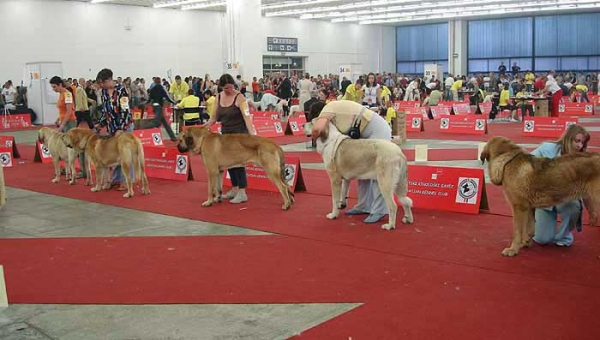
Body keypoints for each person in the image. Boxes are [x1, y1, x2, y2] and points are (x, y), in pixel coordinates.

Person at [310, 100, 392, 224]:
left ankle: (379, 210)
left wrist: (313, 137)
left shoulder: (326, 111)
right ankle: (364, 206)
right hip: (364, 132)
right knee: (362, 171)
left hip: (377, 129)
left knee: (377, 171)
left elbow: (317, 130)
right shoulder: (333, 112)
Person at [531, 124, 591, 247]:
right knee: (542, 239)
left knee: (573, 205)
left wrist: (592, 211)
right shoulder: (547, 148)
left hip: (565, 199)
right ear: (568, 138)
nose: (580, 146)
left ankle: (564, 235)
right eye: (577, 141)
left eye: (582, 143)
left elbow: (586, 189)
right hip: (544, 200)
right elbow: (527, 163)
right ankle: (535, 222)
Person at [205, 74, 256, 204]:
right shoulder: (218, 97)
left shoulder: (240, 98)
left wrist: (253, 137)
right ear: (221, 87)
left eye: (231, 87)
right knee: (229, 162)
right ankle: (234, 188)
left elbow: (247, 118)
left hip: (240, 136)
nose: (229, 90)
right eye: (226, 88)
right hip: (225, 136)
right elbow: (214, 118)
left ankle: (242, 192)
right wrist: (204, 127)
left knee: (239, 163)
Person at [95, 68, 134, 191]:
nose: (101, 85)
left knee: (126, 155)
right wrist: (100, 123)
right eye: (100, 83)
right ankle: (116, 179)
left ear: (109, 80)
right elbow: (105, 110)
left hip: (124, 127)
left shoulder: (122, 91)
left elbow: (125, 111)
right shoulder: (104, 93)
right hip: (111, 128)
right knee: (114, 154)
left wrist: (120, 128)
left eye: (102, 82)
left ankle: (126, 181)